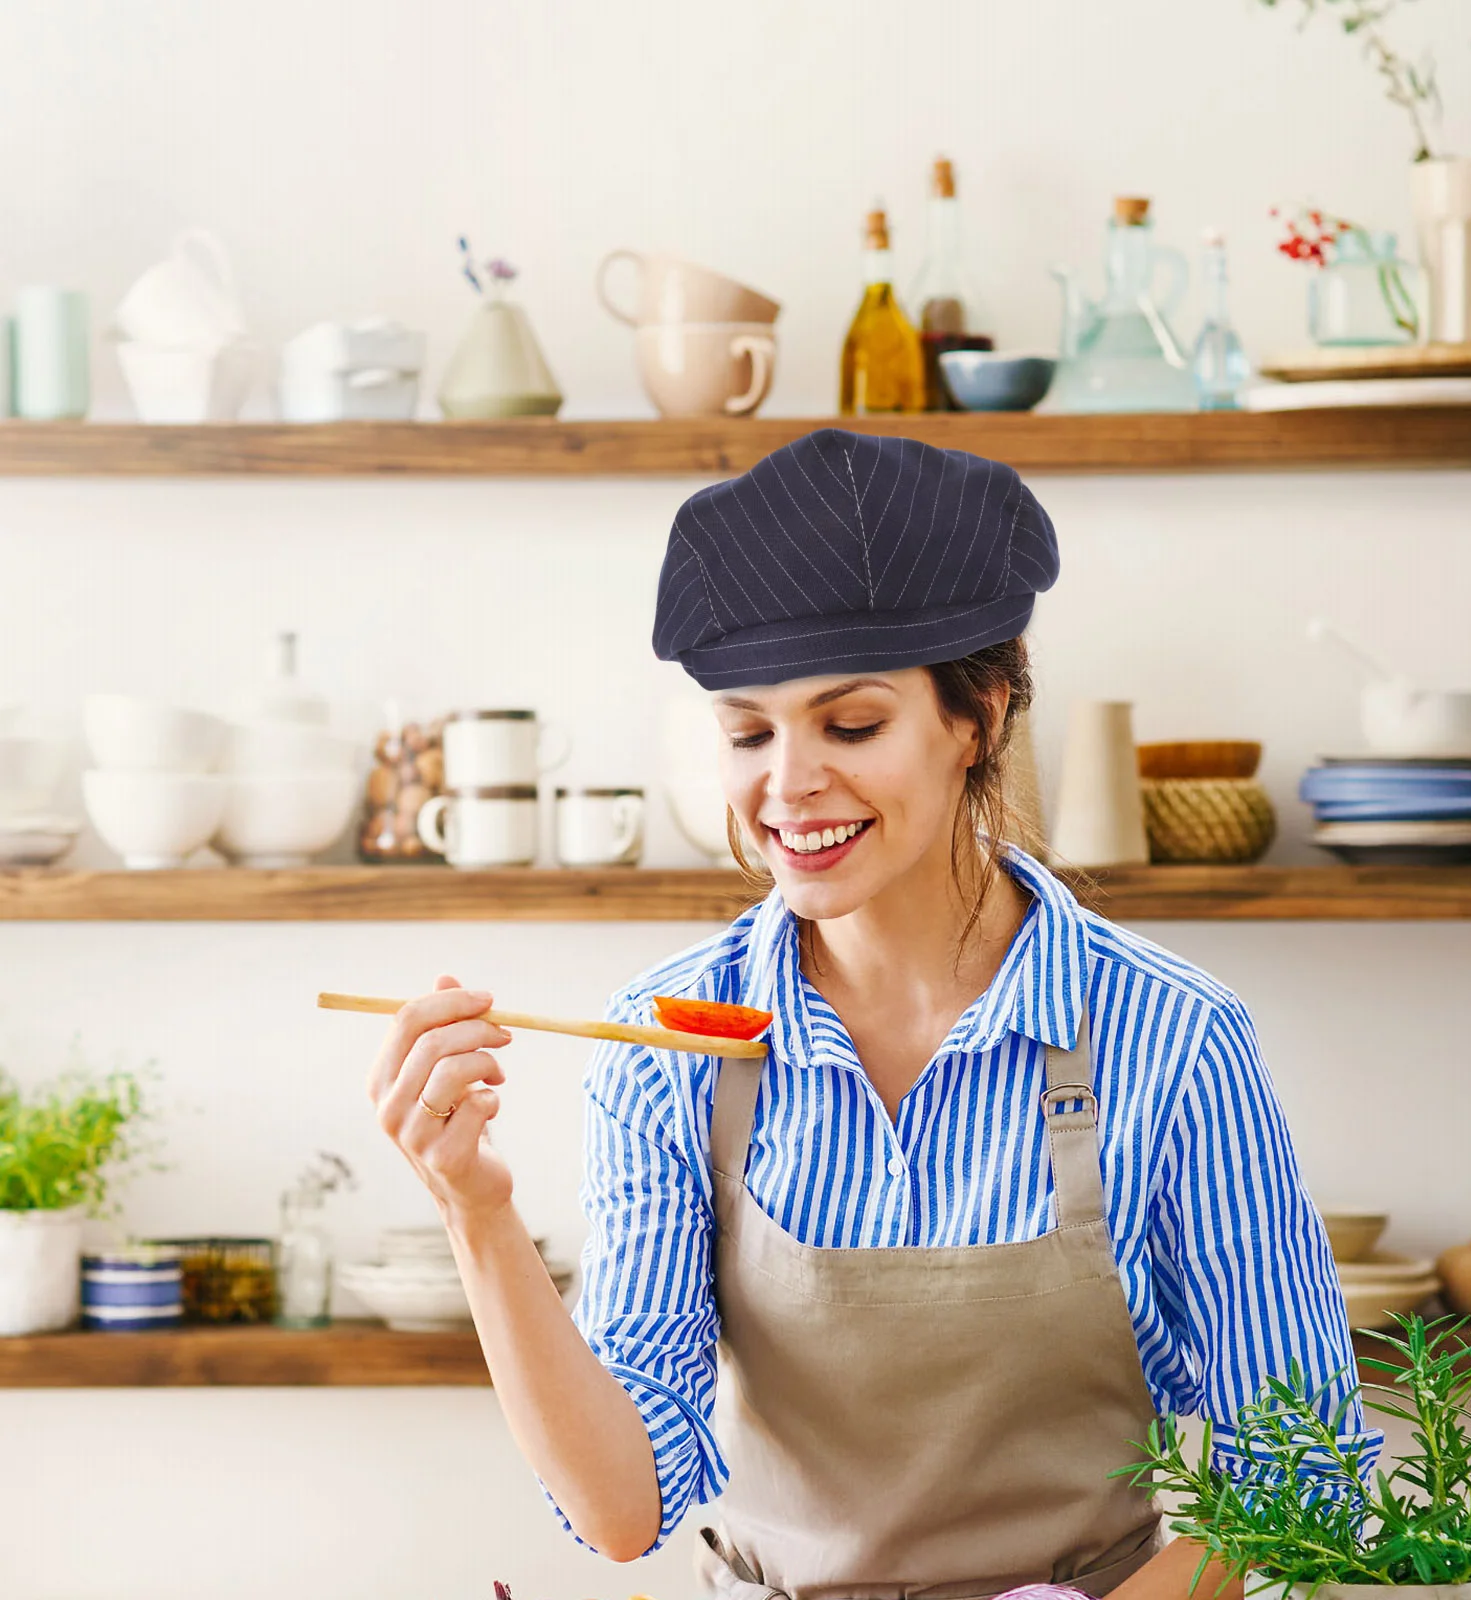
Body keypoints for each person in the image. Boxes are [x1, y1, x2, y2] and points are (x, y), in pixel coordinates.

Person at [366, 428, 1379, 1600]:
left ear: (978, 719)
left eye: (850, 725)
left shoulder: (1171, 1038)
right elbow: (622, 1508)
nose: (786, 784)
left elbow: (1304, 1482)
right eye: (748, 731)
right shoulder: (667, 1044)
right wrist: (476, 1212)